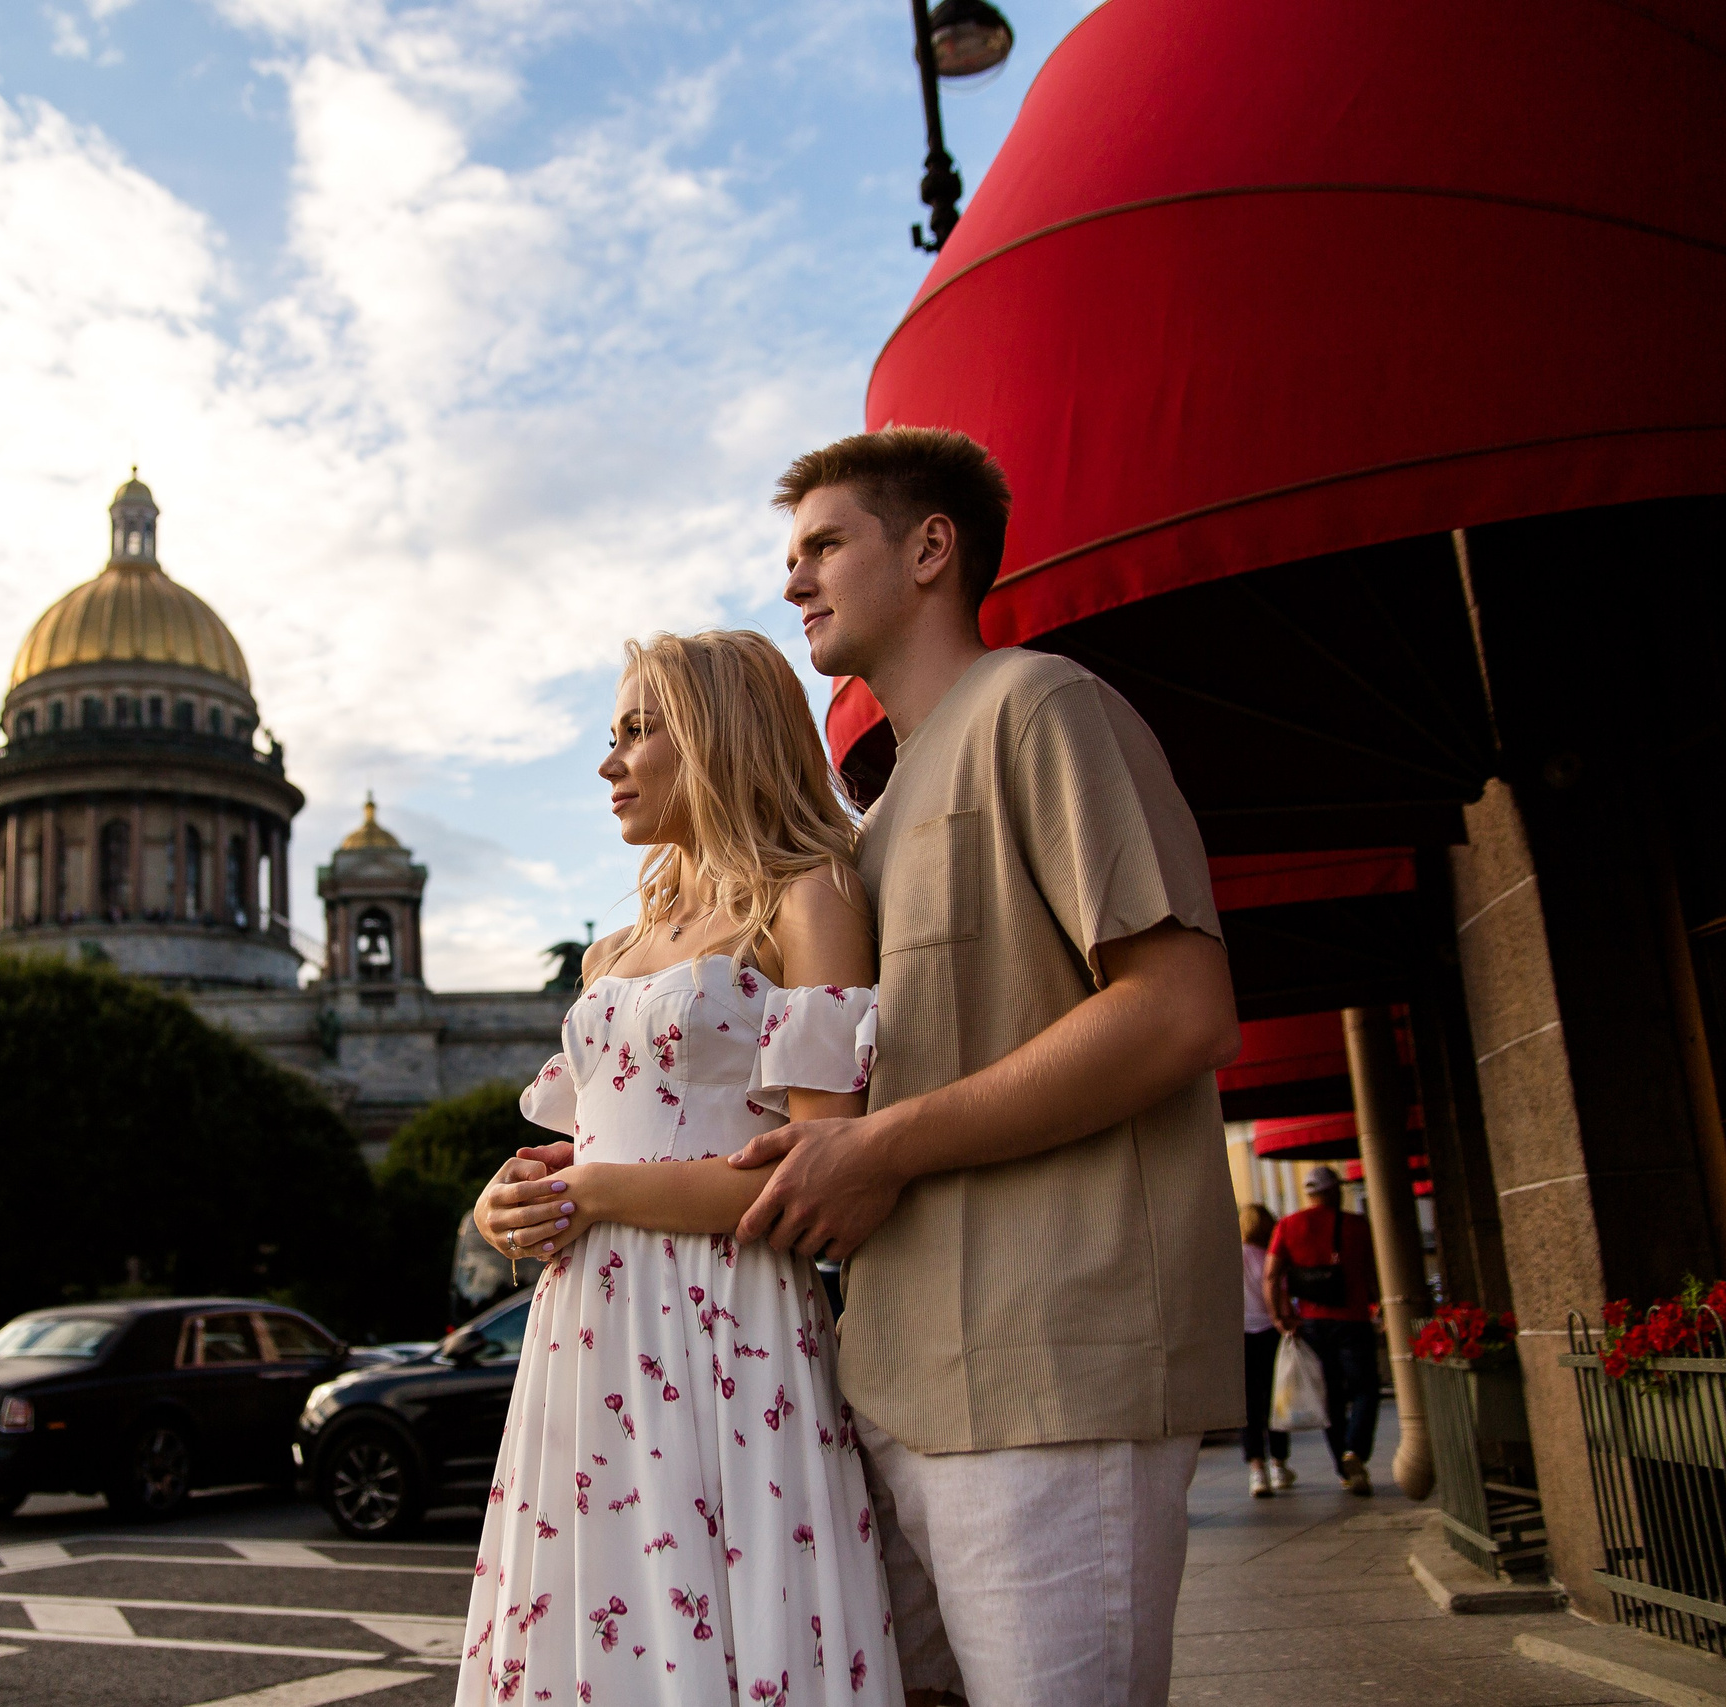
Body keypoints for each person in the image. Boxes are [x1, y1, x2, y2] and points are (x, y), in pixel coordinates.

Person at [724, 426, 1245, 1707]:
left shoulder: (1041, 704)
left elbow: (1178, 1011)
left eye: (823, 546)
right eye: (788, 558)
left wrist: (880, 1145)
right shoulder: (879, 814)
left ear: (930, 548)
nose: (793, 582)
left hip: (1053, 1372)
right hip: (894, 1383)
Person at [463, 629, 904, 1707]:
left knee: (730, 1628)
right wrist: (505, 1203)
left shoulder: (809, 898)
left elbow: (810, 1174)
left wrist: (593, 1192)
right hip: (584, 1336)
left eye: (636, 731)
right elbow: (598, 1145)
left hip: (726, 1324)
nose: (609, 763)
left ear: (716, 735)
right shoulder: (614, 952)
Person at [1266, 1164, 1381, 1496]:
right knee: (1364, 1389)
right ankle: (1355, 1451)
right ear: (1334, 1190)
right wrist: (1382, 1306)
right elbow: (1373, 1271)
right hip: (1353, 1318)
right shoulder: (1357, 1225)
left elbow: (1272, 1276)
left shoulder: (1288, 1225)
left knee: (1330, 1395)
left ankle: (1344, 1472)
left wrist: (1279, 1316)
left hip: (1312, 1323)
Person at [1237, 1204, 1293, 1497]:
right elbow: (1280, 1294)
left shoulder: (1228, 1258)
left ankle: (1256, 1471)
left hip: (1241, 1337)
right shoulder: (1270, 1258)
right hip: (1271, 1333)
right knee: (1276, 1400)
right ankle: (1279, 1465)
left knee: (1248, 1406)